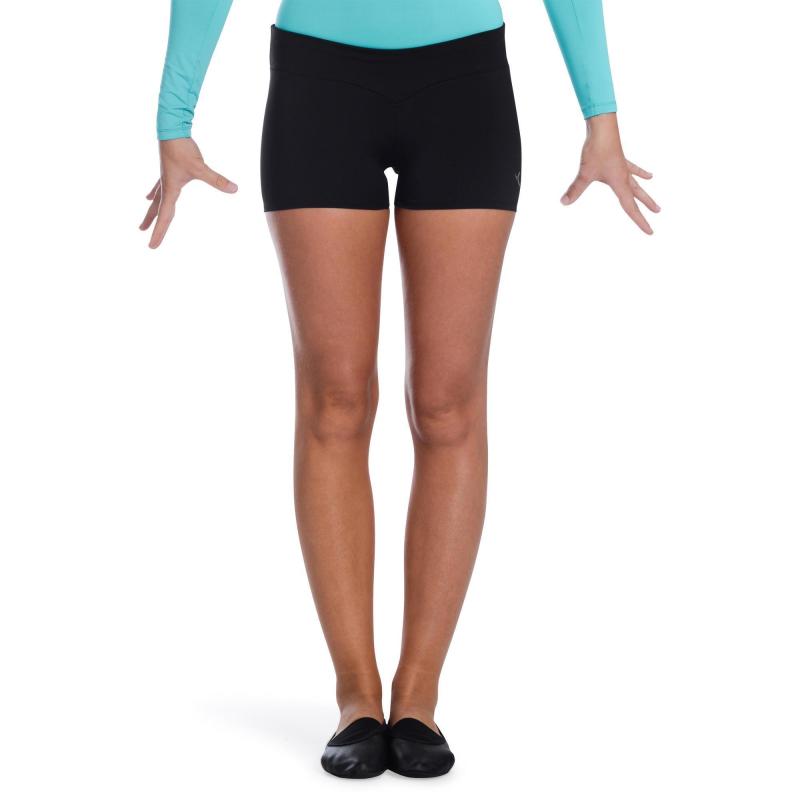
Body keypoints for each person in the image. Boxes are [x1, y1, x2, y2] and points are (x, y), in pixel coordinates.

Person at [140, 0, 659, 779]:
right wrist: (174, 118)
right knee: (335, 400)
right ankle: (356, 694)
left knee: (447, 405)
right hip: (319, 79)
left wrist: (601, 114)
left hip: (464, 81)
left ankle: (417, 695)